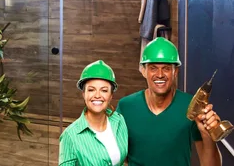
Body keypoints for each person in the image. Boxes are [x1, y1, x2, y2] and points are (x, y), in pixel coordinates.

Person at [116, 37, 222, 166]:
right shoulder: (126, 106)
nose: (160, 74)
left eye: (166, 68)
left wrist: (207, 134)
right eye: (153, 68)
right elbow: (119, 158)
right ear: (143, 71)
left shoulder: (191, 106)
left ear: (175, 71)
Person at [59, 60, 128, 166]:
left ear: (111, 96)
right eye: (91, 90)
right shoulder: (70, 136)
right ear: (83, 94)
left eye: (104, 90)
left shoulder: (119, 120)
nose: (97, 95)